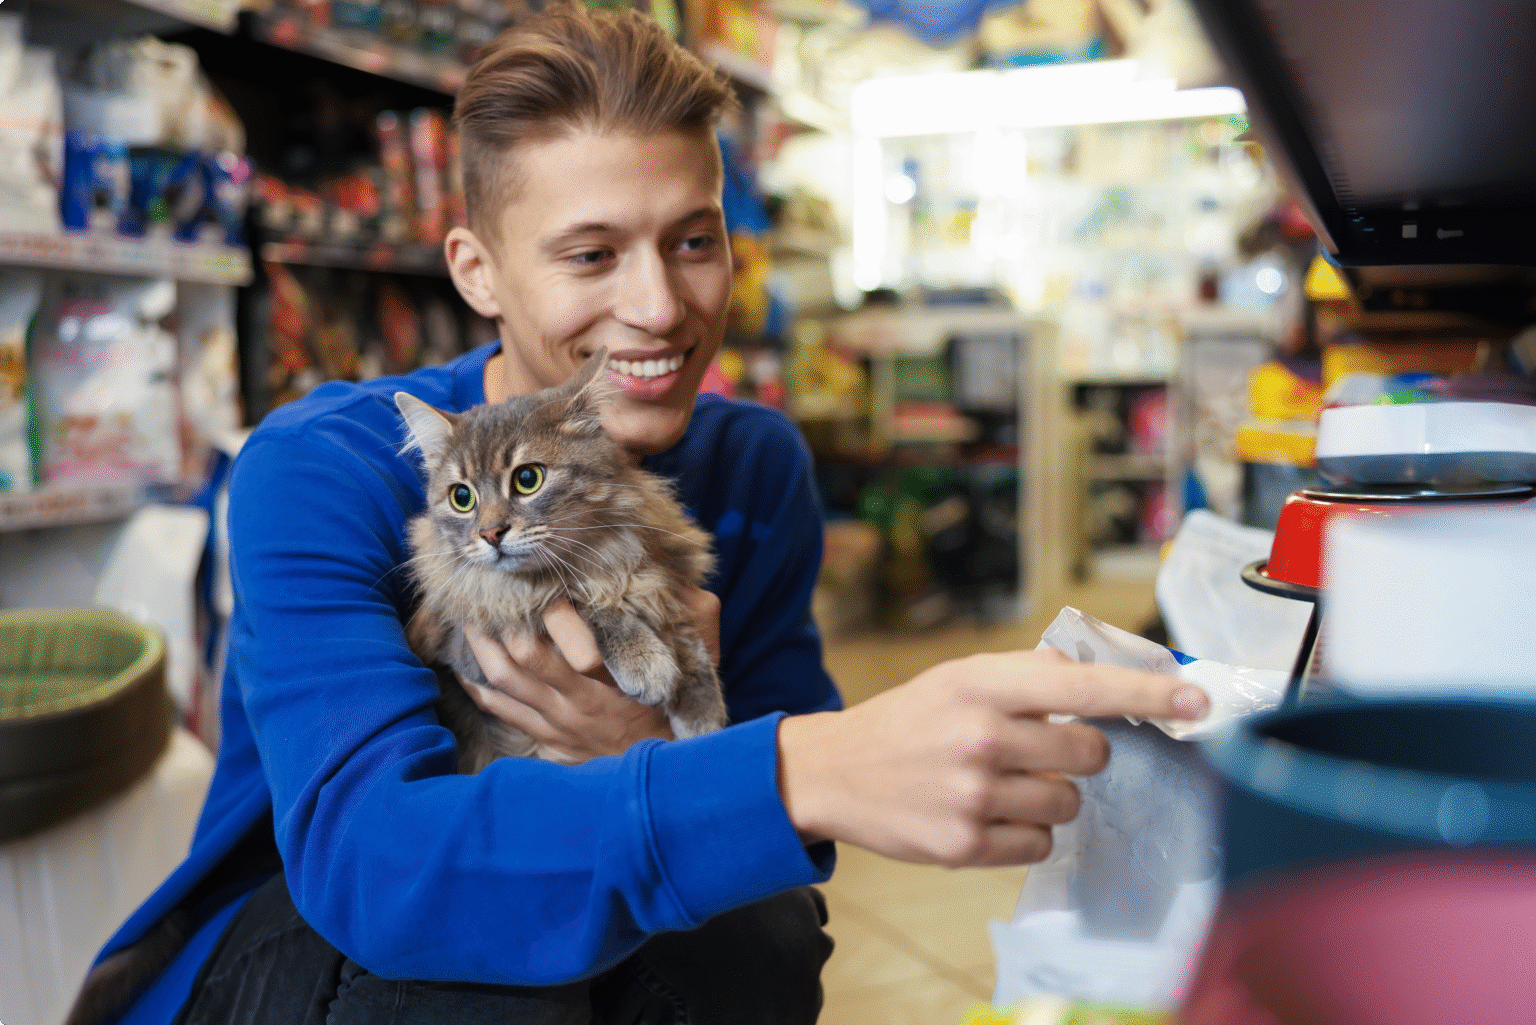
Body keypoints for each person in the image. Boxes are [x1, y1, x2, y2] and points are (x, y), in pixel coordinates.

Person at [74, 6, 1209, 1024]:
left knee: (750, 935)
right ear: (477, 269)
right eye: (590, 254)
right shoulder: (324, 465)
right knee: (485, 983)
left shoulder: (753, 462)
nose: (661, 308)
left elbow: (782, 849)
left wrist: (646, 752)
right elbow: (378, 866)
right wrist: (783, 770)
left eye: (694, 239)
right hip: (299, 944)